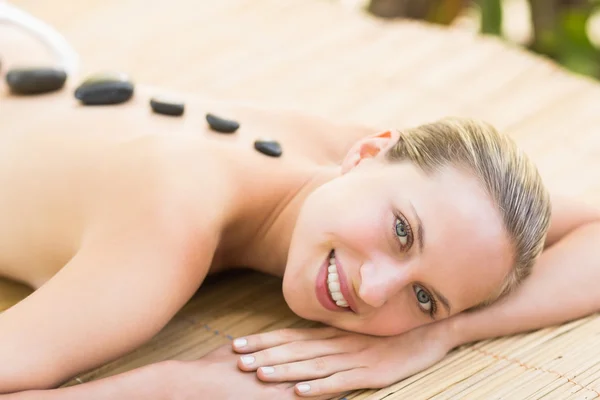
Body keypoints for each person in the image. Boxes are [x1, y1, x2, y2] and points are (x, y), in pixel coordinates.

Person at [2, 12, 600, 400]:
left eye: (423, 298)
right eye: (401, 232)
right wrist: (187, 384)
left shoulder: (342, 157)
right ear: (369, 152)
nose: (372, 289)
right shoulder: (170, 222)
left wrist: (442, 334)